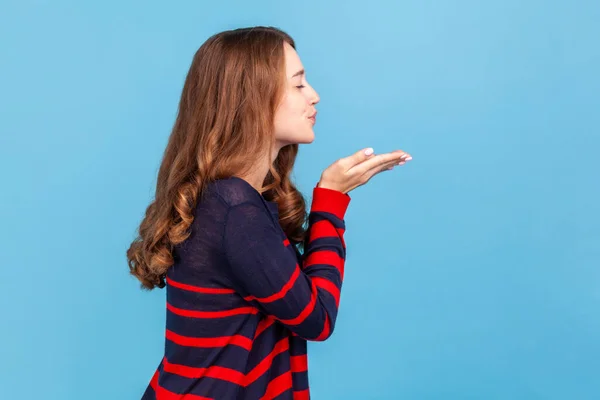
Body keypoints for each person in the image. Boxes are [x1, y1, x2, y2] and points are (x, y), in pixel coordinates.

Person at [127, 26, 412, 400]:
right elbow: (316, 318)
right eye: (298, 84)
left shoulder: (227, 199)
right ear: (252, 98)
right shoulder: (235, 209)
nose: (315, 96)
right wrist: (330, 199)